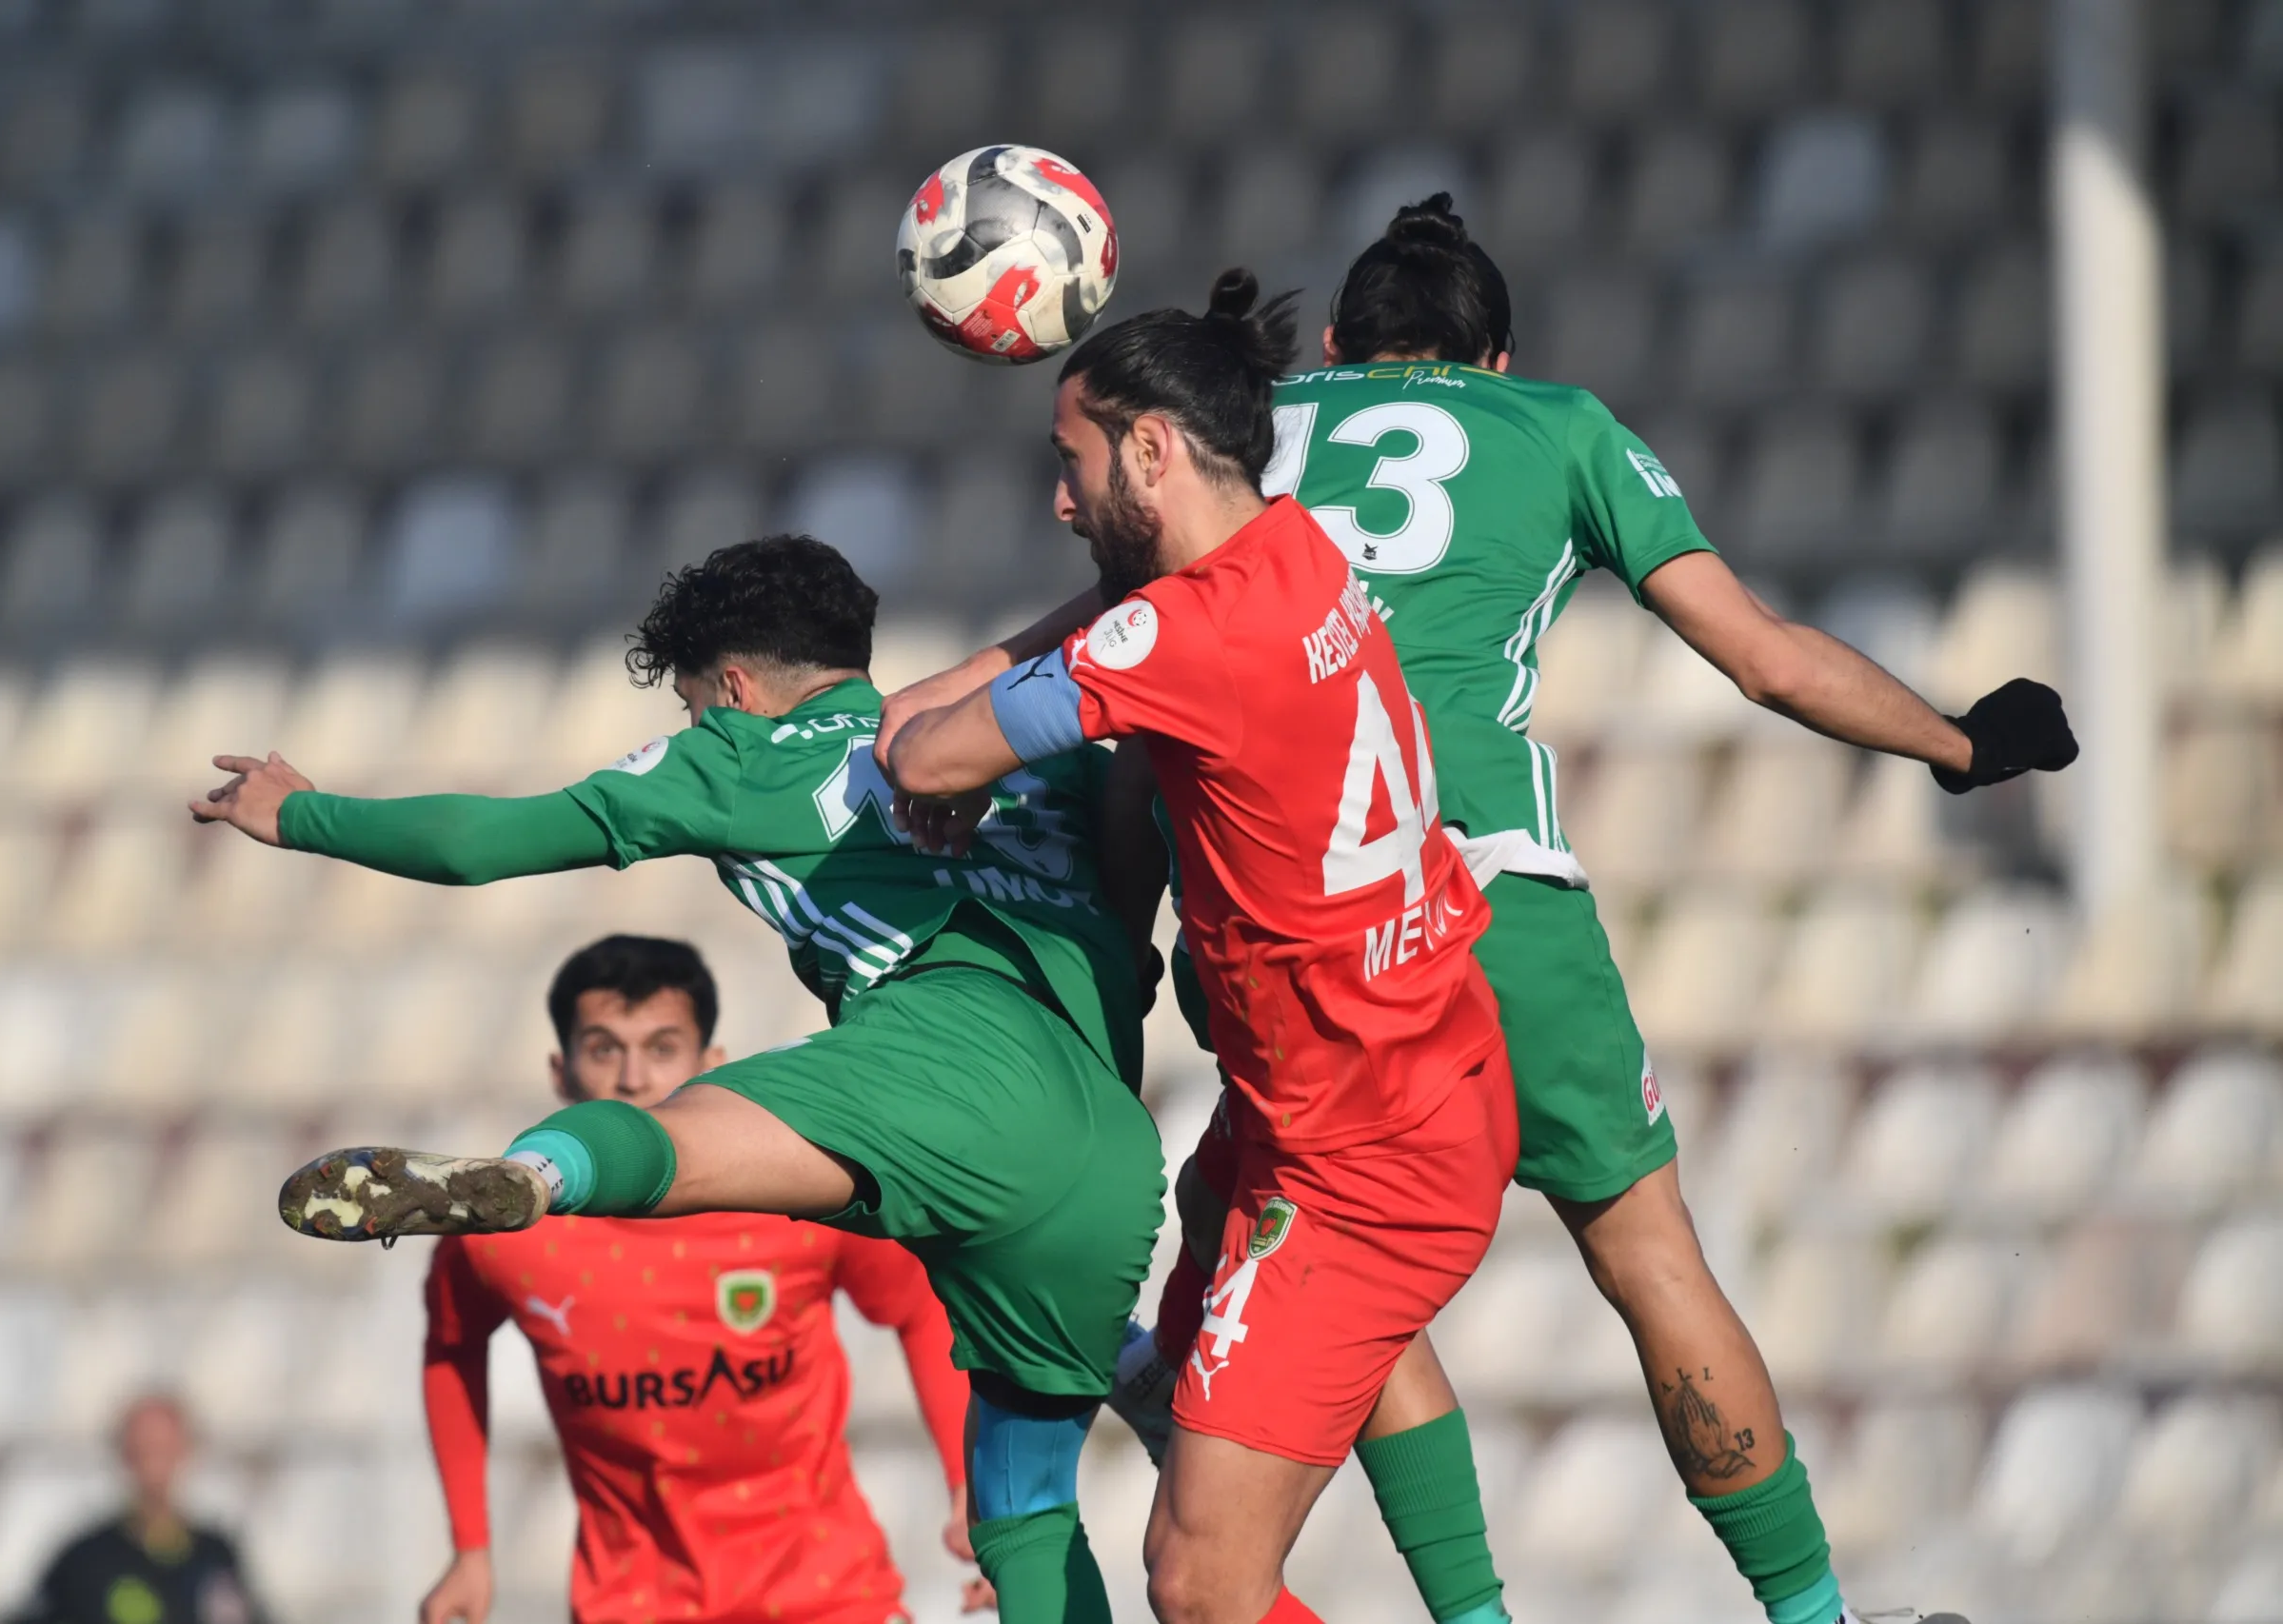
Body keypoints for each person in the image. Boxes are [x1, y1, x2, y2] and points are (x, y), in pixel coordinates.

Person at [883, 197, 2066, 1624]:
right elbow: (1761, 660)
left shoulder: (1250, 441)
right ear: (1495, 360)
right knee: (1647, 1257)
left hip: (1286, 907)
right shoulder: (1562, 427)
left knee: (1320, 1234)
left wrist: (899, 716)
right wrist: (1956, 741)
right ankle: (1812, 1617)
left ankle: (1472, 1607)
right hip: (1493, 893)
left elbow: (1091, 652)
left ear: (1326, 349)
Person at [189, 534, 1164, 1624]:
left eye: (698, 704)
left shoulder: (743, 754)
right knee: (1029, 1507)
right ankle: (1141, 1365)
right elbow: (1140, 818)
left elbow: (487, 840)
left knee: (686, 1130)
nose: (698, 725)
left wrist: (304, 814)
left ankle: (545, 1172)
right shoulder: (1015, 738)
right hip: (1110, 1139)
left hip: (942, 1060)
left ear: (735, 688)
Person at [883, 270, 1519, 1624]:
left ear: (1152, 448)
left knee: (1198, 1578)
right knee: (1193, 1322)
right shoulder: (1292, 549)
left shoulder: (1187, 633)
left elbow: (931, 751)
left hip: (1354, 1159)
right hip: (1417, 1075)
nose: (1061, 500)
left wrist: (912, 727)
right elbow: (1125, 637)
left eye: (1073, 461)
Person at [419, 932, 990, 1624]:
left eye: (662, 1048)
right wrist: (470, 1548)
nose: (632, 1078)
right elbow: (452, 1344)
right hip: (630, 1606)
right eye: (603, 1049)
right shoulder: (507, 1234)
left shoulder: (797, 1193)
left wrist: (971, 1486)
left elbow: (920, 1310)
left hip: (829, 1595)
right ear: (560, 1071)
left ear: (711, 1066)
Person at [10, 1394, 267, 1624]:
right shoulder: (85, 1559)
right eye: (143, 1449)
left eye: (163, 1448)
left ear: (186, 1451)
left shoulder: (217, 1555)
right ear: (124, 1454)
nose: (153, 1464)